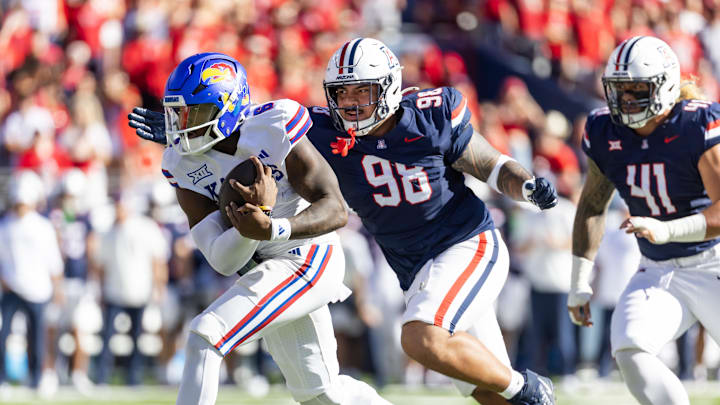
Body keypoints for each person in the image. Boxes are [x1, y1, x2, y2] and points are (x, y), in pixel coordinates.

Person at [129, 39, 558, 405]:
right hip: (410, 267)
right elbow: (245, 127)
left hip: (462, 242)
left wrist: (527, 186)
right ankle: (519, 391)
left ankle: (530, 387)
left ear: (389, 87)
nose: (350, 104)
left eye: (362, 93)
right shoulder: (322, 131)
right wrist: (188, 127)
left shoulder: (430, 113)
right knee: (480, 387)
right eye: (342, 93)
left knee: (422, 338)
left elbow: (489, 164)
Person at [132, 52, 391, 405]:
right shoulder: (181, 164)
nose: (180, 125)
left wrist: (272, 227)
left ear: (228, 107)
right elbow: (222, 260)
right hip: (264, 264)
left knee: (206, 336)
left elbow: (335, 209)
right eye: (177, 113)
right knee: (320, 393)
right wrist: (251, 223)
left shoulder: (273, 127)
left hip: (309, 256)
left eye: (194, 113)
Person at [567, 35, 720, 405]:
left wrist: (668, 229)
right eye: (619, 90)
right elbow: (592, 205)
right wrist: (579, 280)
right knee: (629, 346)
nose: (626, 100)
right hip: (658, 270)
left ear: (665, 85)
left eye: (637, 89)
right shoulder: (605, 131)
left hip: (713, 261)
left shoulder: (696, 124)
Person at [0, 170, 63, 393]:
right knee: (3, 332)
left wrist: (57, 288)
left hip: (38, 288)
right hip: (11, 288)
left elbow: (53, 260)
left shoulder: (42, 227)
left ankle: (37, 378)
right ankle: (2, 378)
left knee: (37, 336)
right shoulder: (5, 225)